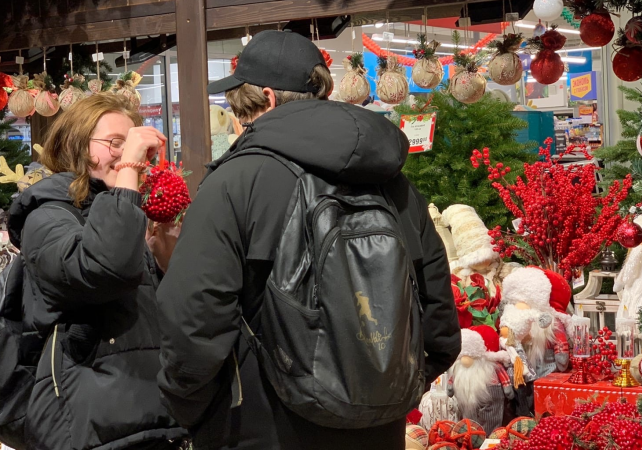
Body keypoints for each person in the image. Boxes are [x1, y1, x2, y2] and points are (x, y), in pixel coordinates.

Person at [156, 30, 460, 449]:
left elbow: (193, 318)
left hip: (264, 422)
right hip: (380, 425)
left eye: (244, 111)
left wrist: (192, 408)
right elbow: (438, 309)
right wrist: (393, 390)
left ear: (268, 97)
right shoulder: (392, 180)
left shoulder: (234, 182)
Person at [7, 93, 186, 450]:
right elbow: (106, 269)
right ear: (76, 145)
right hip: (90, 426)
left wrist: (166, 261)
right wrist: (130, 170)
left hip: (149, 419)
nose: (125, 154)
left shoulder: (122, 209)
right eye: (114, 143)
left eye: (132, 144)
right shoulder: (46, 215)